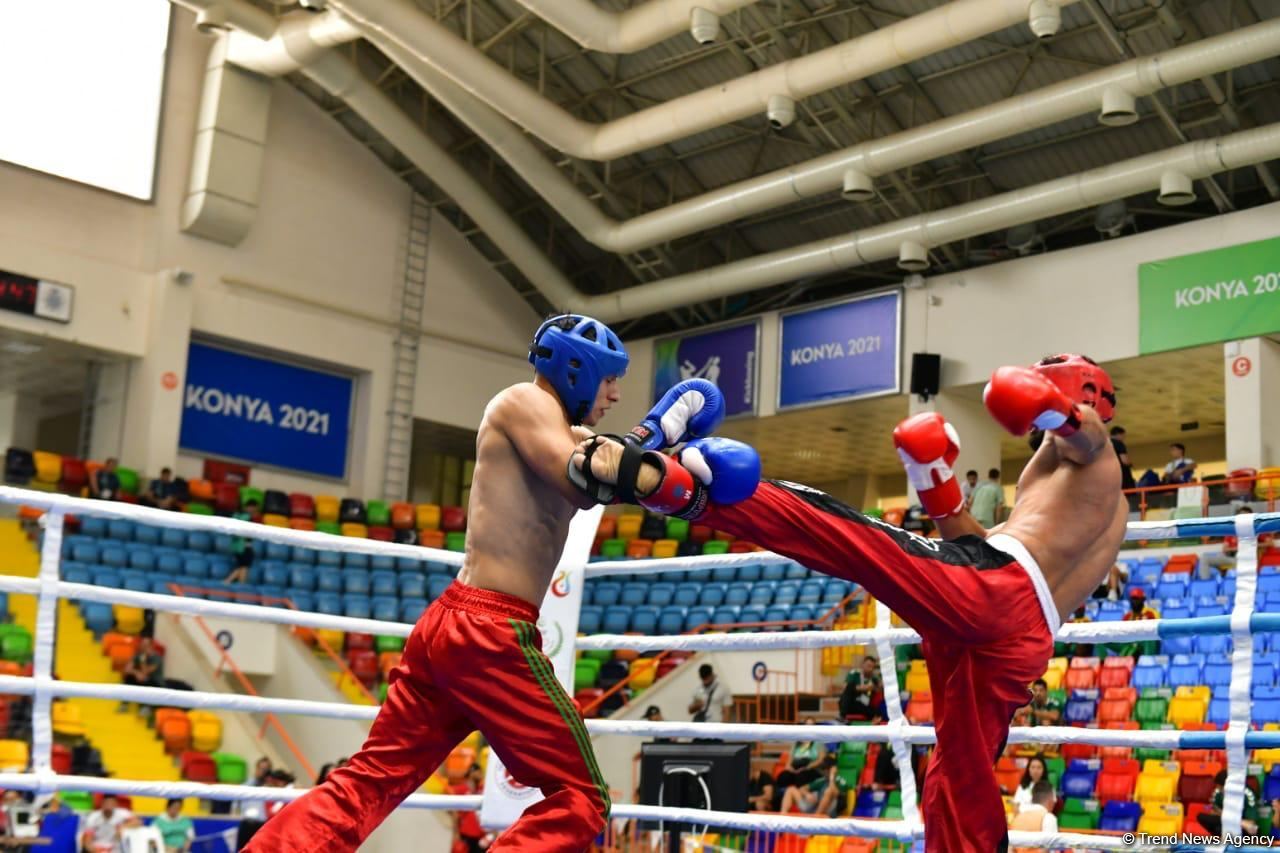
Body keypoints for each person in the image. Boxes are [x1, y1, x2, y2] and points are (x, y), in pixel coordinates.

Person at [571, 352, 1127, 853]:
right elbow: (980, 547)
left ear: (1081, 397)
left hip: (1001, 594)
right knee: (961, 774)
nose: (1037, 408)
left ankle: (676, 486)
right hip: (1014, 627)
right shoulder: (1053, 472)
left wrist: (1054, 408)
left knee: (855, 539)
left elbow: (1088, 437)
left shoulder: (1098, 460)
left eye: (1048, 389)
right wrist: (934, 481)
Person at [245, 314, 722, 852]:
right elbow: (587, 473)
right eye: (610, 378)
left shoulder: (564, 430)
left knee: (369, 781)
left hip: (459, 629)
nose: (615, 393)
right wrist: (650, 443)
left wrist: (666, 439)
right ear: (576, 370)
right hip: (490, 631)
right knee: (581, 795)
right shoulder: (522, 402)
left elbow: (615, 470)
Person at [1198, 769, 1258, 835]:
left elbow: (1251, 823)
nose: (1219, 790)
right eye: (1218, 787)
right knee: (1202, 817)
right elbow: (1213, 812)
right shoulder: (1218, 792)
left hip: (1242, 827)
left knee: (1221, 829)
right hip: (1226, 821)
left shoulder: (1247, 794)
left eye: (1221, 788)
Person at [120, 637, 163, 714]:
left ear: (151, 646)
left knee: (147, 681)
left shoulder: (156, 658)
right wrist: (136, 673)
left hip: (154, 682)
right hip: (141, 679)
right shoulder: (138, 655)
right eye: (142, 644)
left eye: (145, 645)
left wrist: (142, 661)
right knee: (129, 678)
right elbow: (127, 669)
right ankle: (124, 704)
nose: (143, 646)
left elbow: (146, 671)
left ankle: (146, 707)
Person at [449, 763, 486, 853]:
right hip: (465, 835)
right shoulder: (459, 790)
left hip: (481, 836)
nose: (481, 774)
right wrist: (455, 834)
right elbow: (455, 814)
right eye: (479, 771)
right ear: (472, 772)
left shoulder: (482, 789)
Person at [838, 655, 883, 722]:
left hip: (863, 705)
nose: (870, 669)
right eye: (868, 666)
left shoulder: (874, 678)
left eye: (872, 667)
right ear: (863, 665)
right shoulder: (854, 674)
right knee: (849, 687)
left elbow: (880, 687)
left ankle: (843, 716)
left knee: (878, 711)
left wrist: (876, 686)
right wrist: (865, 688)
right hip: (851, 703)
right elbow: (845, 687)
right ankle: (842, 716)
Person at [223, 500, 259, 585]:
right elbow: (249, 533)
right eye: (254, 508)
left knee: (242, 566)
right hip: (244, 546)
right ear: (250, 507)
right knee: (244, 567)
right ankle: (232, 582)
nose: (254, 510)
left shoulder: (236, 516)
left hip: (237, 546)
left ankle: (230, 581)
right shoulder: (246, 518)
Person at [689, 663, 733, 728]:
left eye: (707, 678)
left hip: (716, 727)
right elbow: (690, 710)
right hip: (700, 727)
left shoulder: (723, 688)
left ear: (712, 675)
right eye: (703, 679)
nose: (705, 681)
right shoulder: (697, 689)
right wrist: (697, 705)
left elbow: (727, 712)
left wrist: (722, 729)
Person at [1110, 426, 1135, 491]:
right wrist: (1130, 464)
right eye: (1123, 436)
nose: (1123, 438)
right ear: (1119, 434)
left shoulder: (1104, 444)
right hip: (1122, 474)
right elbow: (1124, 460)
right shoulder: (1119, 443)